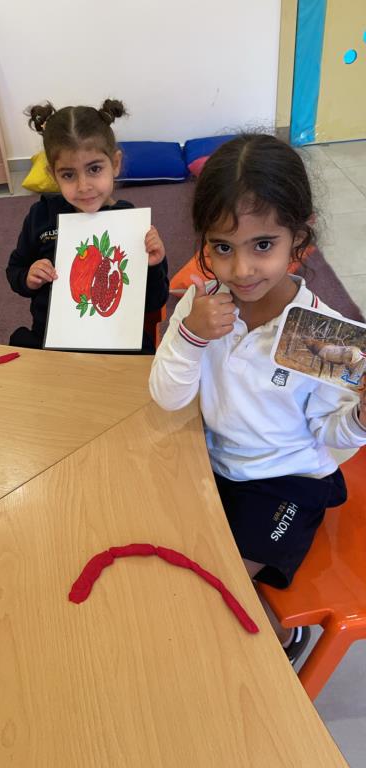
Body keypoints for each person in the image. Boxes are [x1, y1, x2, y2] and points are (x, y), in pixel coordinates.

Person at [149, 133, 366, 664]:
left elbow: (331, 433)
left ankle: (282, 644)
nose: (242, 270)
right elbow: (168, 398)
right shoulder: (200, 304)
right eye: (223, 247)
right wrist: (190, 336)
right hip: (212, 462)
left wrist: (361, 416)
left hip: (288, 481)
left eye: (263, 245)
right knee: (162, 552)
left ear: (299, 239)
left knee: (220, 581)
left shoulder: (319, 332)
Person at [6, 99, 168, 352]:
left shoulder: (130, 222)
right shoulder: (41, 215)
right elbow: (15, 269)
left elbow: (155, 301)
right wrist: (28, 277)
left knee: (144, 362)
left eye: (94, 169)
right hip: (52, 340)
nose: (83, 186)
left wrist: (154, 265)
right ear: (52, 174)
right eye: (68, 175)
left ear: (115, 164)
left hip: (116, 341)